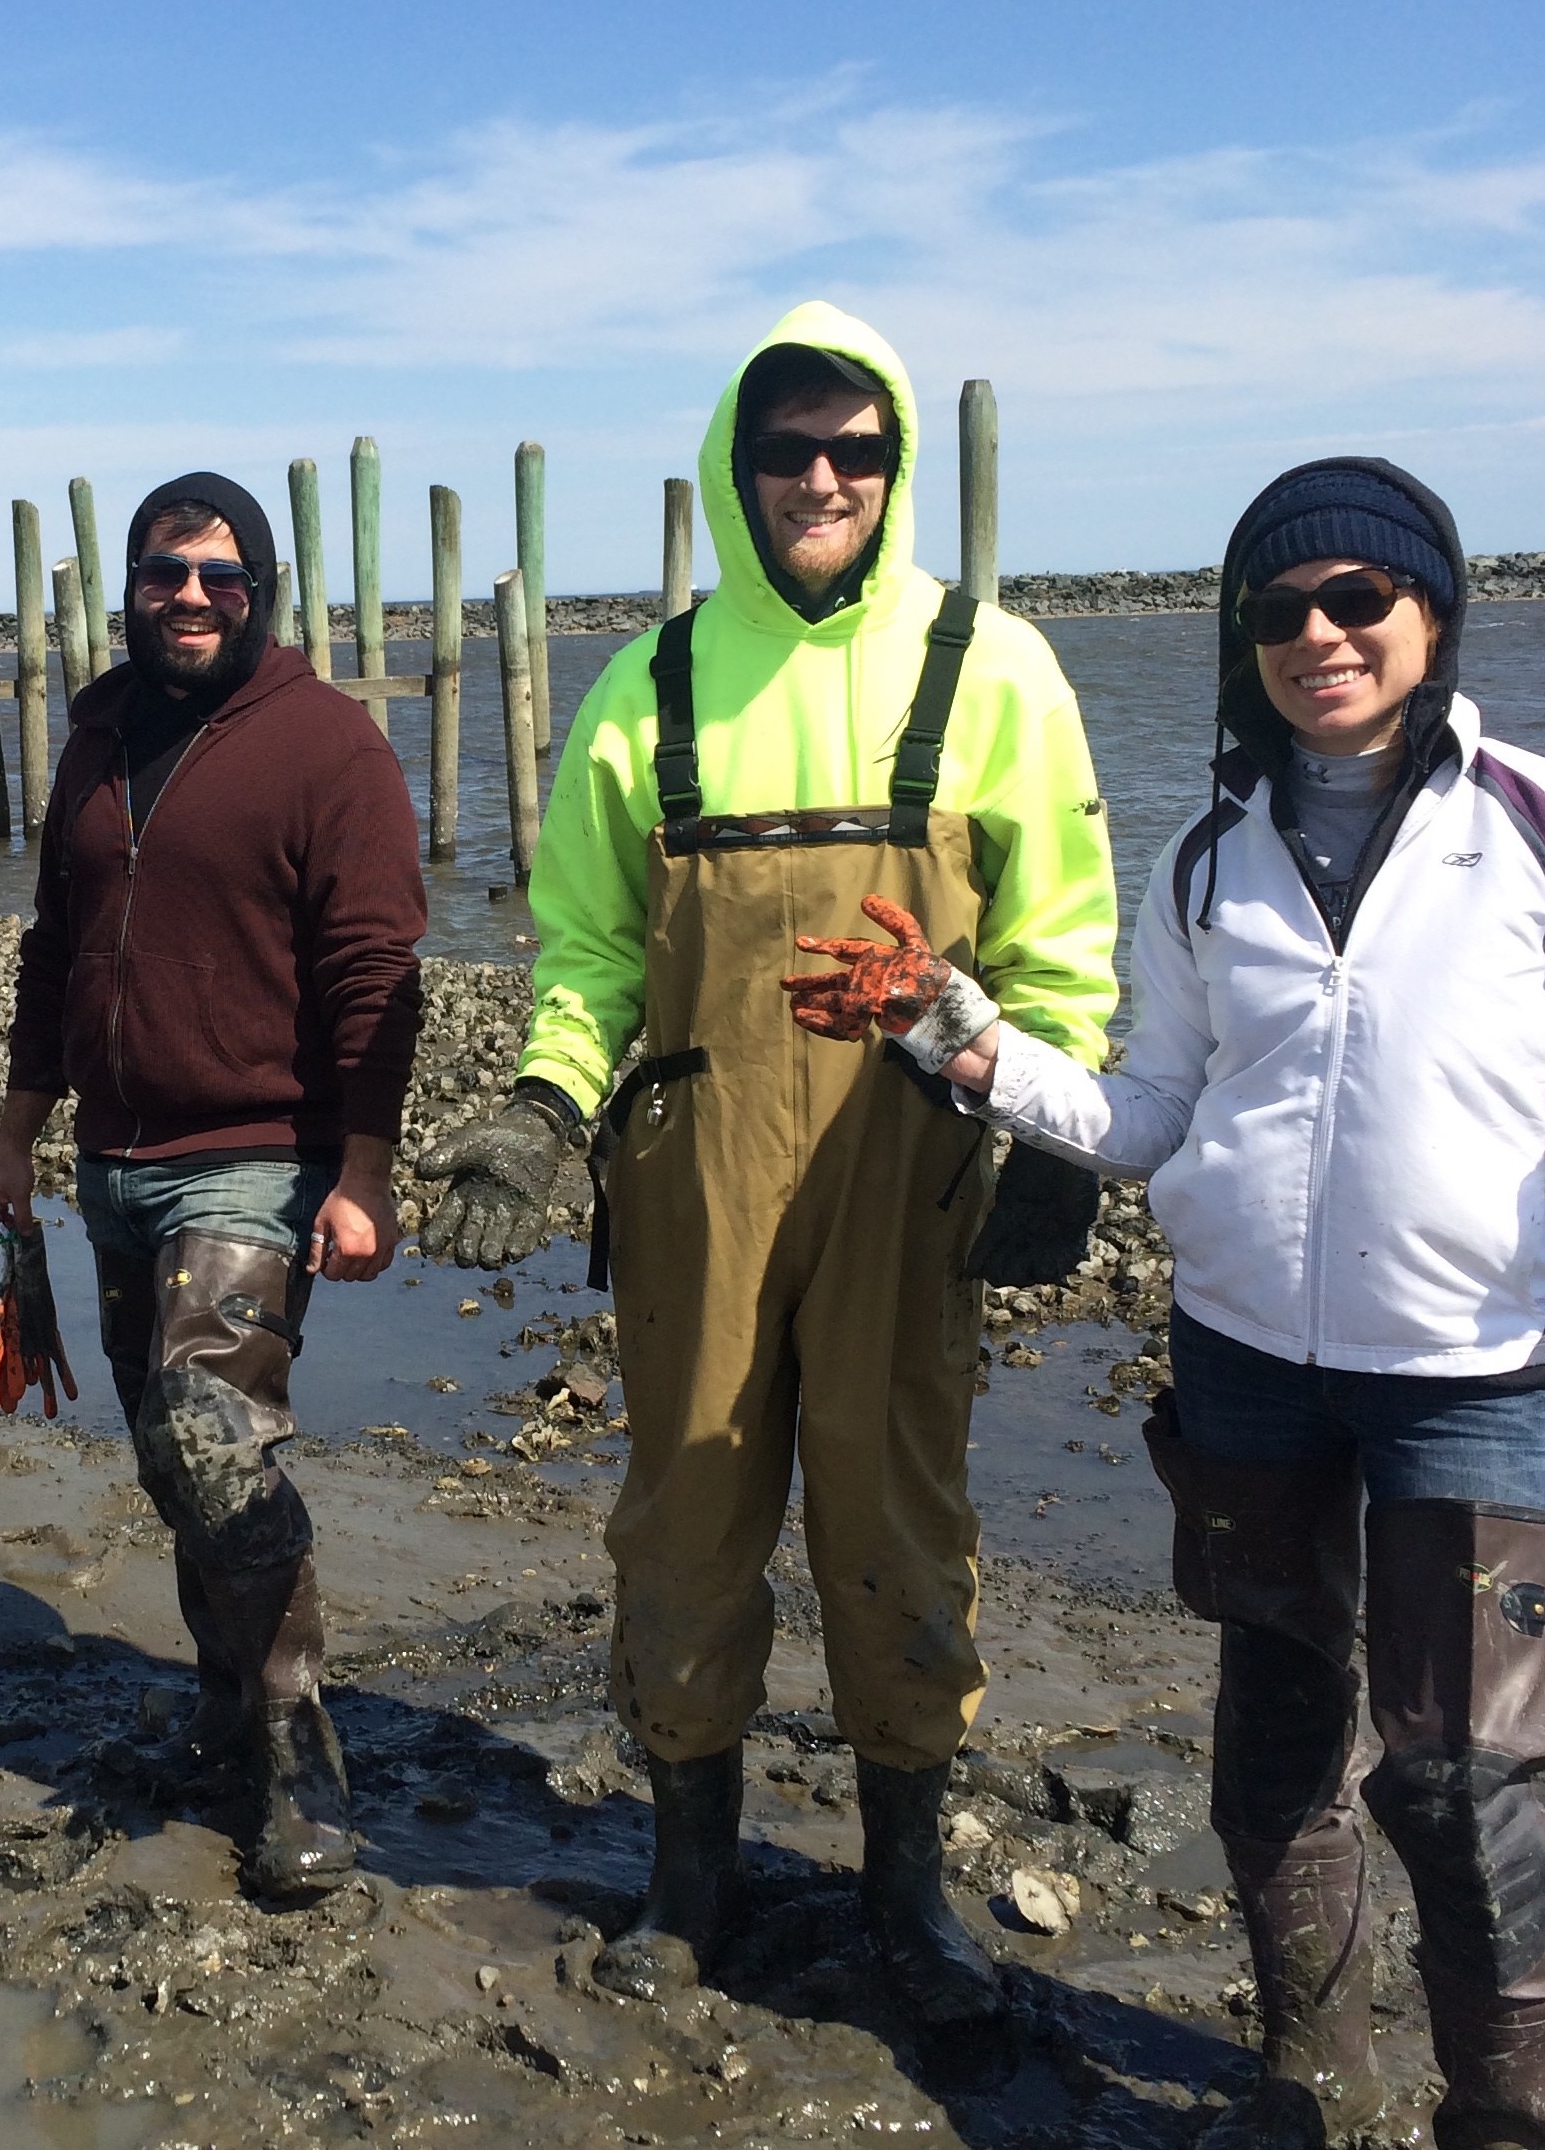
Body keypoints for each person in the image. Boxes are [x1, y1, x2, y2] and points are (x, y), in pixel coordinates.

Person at [790, 459, 1545, 2149]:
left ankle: (1504, 2117)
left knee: (1463, 1780)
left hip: (1482, 1371)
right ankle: (1312, 2073)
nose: (1318, 634)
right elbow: (1150, 1115)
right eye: (1281, 609)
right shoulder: (1203, 861)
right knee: (1272, 1744)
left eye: (1356, 598)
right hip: (1241, 1361)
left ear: (1431, 613)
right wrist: (960, 1034)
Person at [417, 303, 1119, 2014]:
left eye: (856, 450)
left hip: (915, 1172)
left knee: (901, 1516)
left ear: (892, 469)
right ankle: (685, 1875)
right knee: (684, 1515)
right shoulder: (645, 683)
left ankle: (905, 1891)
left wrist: (1055, 1125)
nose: (822, 477)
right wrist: (540, 1106)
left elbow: (1063, 939)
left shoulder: (997, 665)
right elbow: (585, 948)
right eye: (787, 448)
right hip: (695, 1177)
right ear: (734, 468)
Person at [0, 471, 426, 1899]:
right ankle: (227, 1711)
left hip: (256, 1157)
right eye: (166, 574)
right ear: (128, 586)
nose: (189, 599)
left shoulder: (325, 744)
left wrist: (365, 1166)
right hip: (110, 1158)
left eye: (221, 580)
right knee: (174, 1457)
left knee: (211, 1431)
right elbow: (57, 942)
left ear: (261, 594)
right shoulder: (97, 730)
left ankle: (299, 1748)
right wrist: (13, 1134)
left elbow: (376, 971)